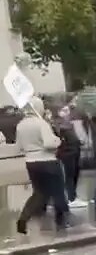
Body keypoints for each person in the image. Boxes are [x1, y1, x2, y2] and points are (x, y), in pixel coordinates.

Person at [14, 96, 69, 235]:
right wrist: (58, 141)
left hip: (31, 162)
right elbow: (49, 143)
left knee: (38, 193)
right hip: (48, 160)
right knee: (58, 191)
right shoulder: (41, 123)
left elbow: (18, 147)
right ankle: (61, 221)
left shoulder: (21, 125)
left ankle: (23, 218)